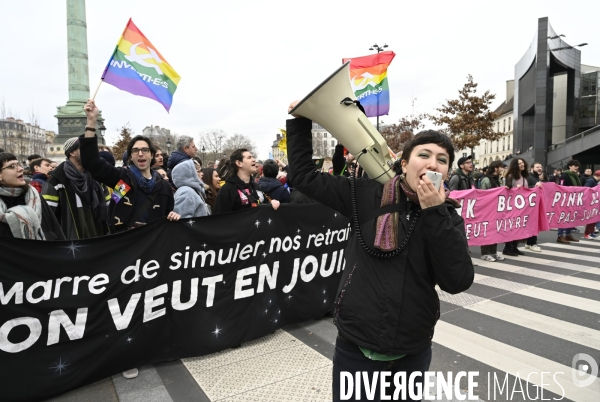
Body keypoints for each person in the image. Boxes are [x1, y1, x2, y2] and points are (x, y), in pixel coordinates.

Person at [286, 102, 474, 402]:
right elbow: (304, 177)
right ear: (404, 164)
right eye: (423, 155)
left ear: (447, 171)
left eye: (442, 159)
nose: (432, 163)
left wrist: (435, 213)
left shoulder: (447, 217)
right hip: (357, 346)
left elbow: (457, 281)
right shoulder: (365, 196)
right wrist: (300, 120)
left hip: (412, 349)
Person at [80, 99, 180, 235]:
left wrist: (174, 217)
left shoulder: (164, 187)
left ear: (151, 155)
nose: (140, 154)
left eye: (145, 150)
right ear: (130, 157)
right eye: (135, 151)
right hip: (124, 246)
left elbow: (168, 219)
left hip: (153, 247)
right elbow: (90, 162)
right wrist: (91, 122)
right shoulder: (121, 178)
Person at [42, 137, 110, 239]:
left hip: (98, 243)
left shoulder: (97, 178)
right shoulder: (56, 182)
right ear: (72, 152)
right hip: (71, 248)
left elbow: (110, 208)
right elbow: (47, 219)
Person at [0, 152, 64, 240]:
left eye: (18, 164)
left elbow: (54, 228)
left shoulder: (34, 196)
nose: (20, 169)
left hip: (43, 251)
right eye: (12, 166)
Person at [214, 149, 280, 214]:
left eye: (253, 157)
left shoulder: (256, 187)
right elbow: (220, 220)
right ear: (239, 163)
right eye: (249, 158)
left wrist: (271, 203)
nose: (254, 160)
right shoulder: (226, 190)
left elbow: (263, 208)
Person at [478, 161, 506, 261]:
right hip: (487, 210)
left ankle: (493, 252)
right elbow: (483, 195)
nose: (502, 169)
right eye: (501, 167)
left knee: (495, 231)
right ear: (495, 168)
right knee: (487, 231)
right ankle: (485, 253)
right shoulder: (486, 180)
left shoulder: (498, 179)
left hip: (496, 209)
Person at [557, 160, 582, 244]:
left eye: (577, 166)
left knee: (571, 217)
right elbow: (561, 187)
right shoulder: (564, 176)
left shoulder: (576, 176)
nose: (576, 167)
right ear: (570, 166)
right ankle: (560, 235)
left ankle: (568, 234)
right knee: (563, 217)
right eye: (574, 166)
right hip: (565, 200)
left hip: (574, 199)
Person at [583, 170, 600, 239]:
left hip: (594, 202)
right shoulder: (591, 181)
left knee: (594, 218)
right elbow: (586, 189)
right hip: (591, 202)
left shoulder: (595, 182)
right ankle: (587, 233)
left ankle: (591, 232)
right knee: (591, 218)